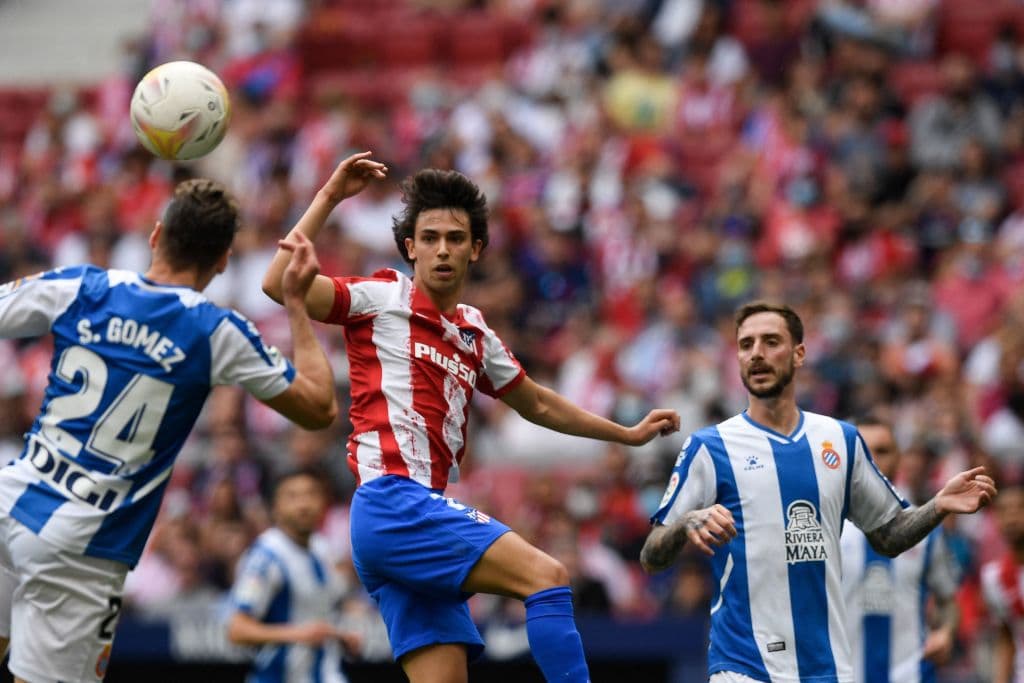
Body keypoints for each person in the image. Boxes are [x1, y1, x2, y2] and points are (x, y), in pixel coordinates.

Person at [261, 152, 681, 683]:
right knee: (547, 577)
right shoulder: (380, 298)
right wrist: (329, 197)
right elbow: (280, 282)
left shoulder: (476, 334)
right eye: (430, 237)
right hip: (392, 504)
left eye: (455, 239)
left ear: (475, 250)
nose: (442, 249)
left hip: (417, 516)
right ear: (410, 247)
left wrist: (625, 433)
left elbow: (539, 403)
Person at [0, 178, 338, 683]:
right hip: (83, 550)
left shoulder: (85, 287)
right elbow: (320, 407)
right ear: (223, 260)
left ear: (156, 235)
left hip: (10, 505)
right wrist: (294, 302)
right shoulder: (216, 331)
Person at [640, 301, 995, 683]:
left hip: (826, 668)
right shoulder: (710, 447)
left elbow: (889, 536)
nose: (756, 353)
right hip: (742, 665)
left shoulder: (839, 440)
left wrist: (938, 505)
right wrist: (686, 522)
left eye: (771, 341)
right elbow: (651, 556)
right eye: (746, 345)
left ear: (799, 354)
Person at [839, 414, 959, 683]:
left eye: (882, 450)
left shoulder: (926, 527)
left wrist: (946, 632)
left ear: (899, 457)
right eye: (863, 451)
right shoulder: (829, 526)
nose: (872, 459)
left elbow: (947, 598)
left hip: (911, 674)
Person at [227, 468, 360, 683]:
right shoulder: (266, 557)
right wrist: (298, 634)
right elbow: (237, 630)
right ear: (275, 508)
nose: (304, 504)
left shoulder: (323, 550)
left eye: (311, 494)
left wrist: (339, 636)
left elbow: (319, 617)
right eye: (292, 496)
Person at [981, 480, 1024, 683]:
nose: (1012, 518)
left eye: (1019, 509)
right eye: (1003, 511)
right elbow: (1007, 634)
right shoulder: (993, 577)